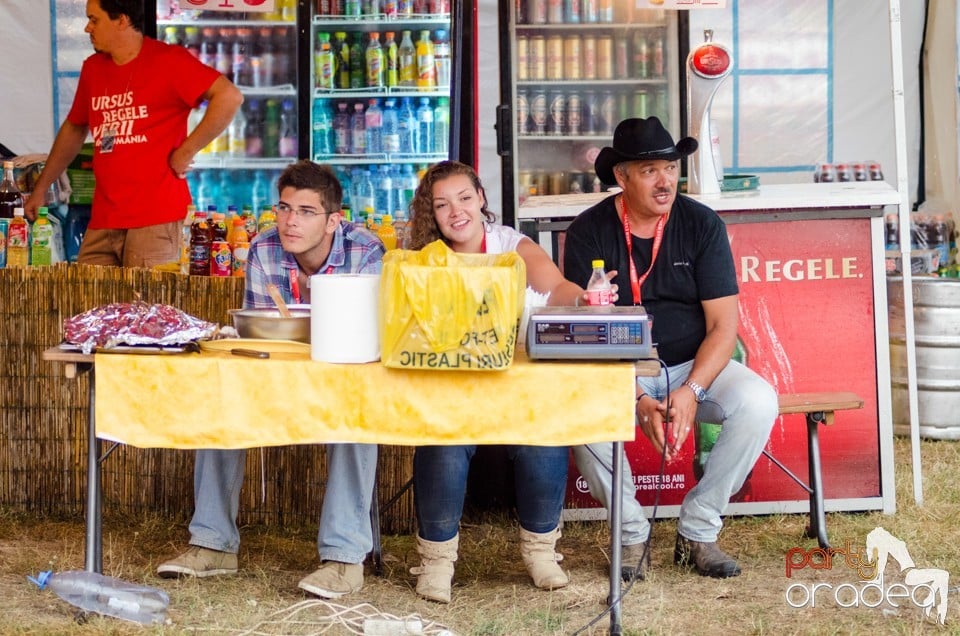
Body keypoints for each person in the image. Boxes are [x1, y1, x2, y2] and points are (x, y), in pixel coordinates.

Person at [157, 160, 386, 599]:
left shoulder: (366, 251)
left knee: (358, 418)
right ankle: (213, 544)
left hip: (343, 377)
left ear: (334, 219)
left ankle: (343, 558)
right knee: (224, 398)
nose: (289, 221)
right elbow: (266, 334)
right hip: (279, 372)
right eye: (283, 208)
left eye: (304, 211)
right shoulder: (264, 249)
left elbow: (363, 335)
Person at [563, 117, 778, 580]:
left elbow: (724, 326)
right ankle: (631, 536)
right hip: (617, 368)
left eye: (671, 167)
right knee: (580, 417)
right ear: (621, 177)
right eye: (649, 171)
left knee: (759, 401)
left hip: (693, 364)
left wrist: (692, 391)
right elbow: (583, 333)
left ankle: (698, 532)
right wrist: (635, 398)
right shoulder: (588, 231)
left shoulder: (701, 223)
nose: (665, 181)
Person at [405, 160, 609, 603]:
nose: (455, 211)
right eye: (442, 205)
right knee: (442, 440)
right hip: (449, 386)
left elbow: (556, 288)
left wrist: (586, 296)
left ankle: (541, 553)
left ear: (481, 197)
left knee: (545, 434)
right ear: (432, 215)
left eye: (463, 198)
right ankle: (436, 563)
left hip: (512, 383)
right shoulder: (425, 257)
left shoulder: (510, 244)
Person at [24, 0, 242, 267]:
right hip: (103, 217)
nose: (86, 28)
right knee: (91, 306)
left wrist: (187, 150)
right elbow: (74, 127)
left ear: (122, 20)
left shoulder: (168, 60)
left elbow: (229, 96)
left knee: (147, 307)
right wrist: (42, 187)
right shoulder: (93, 68)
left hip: (155, 220)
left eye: (95, 19)